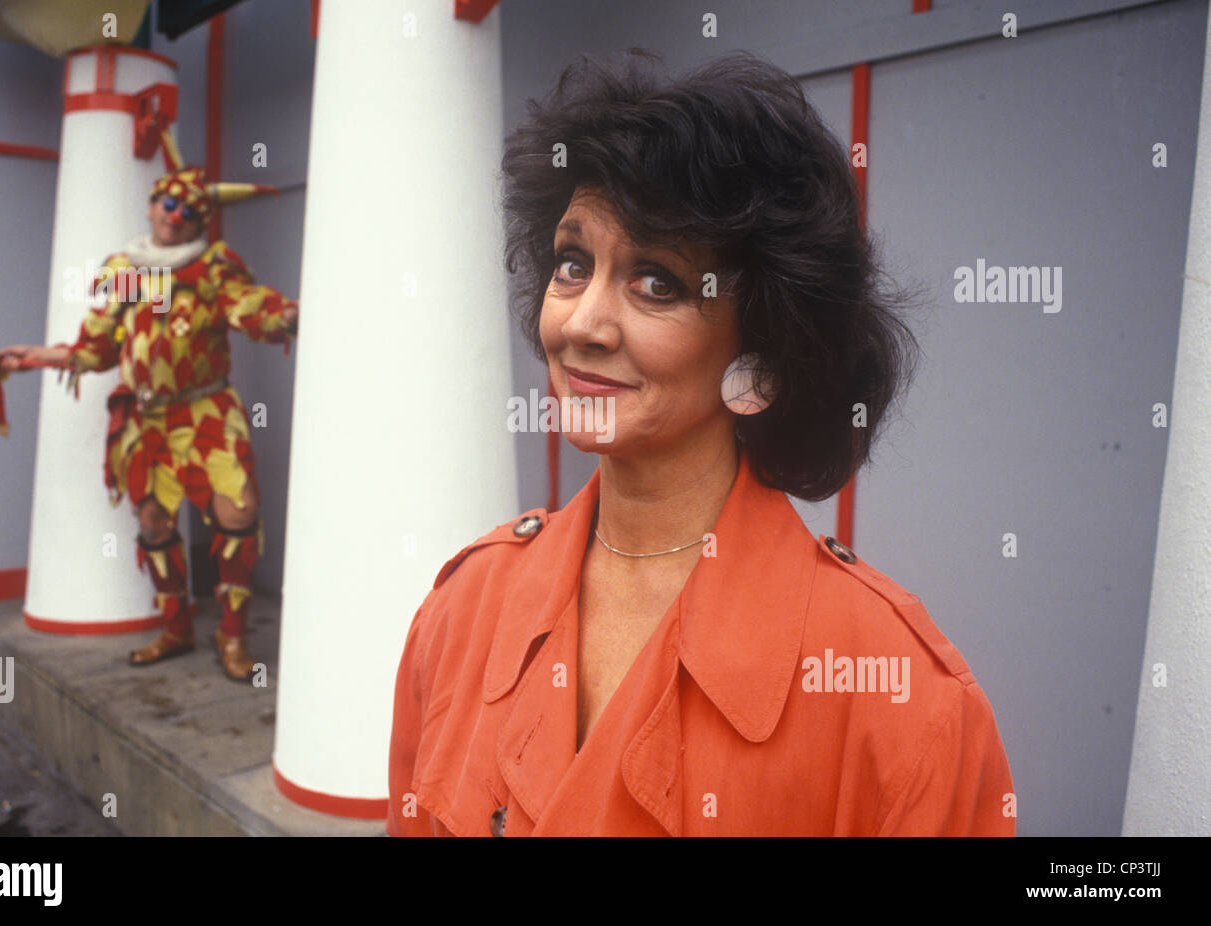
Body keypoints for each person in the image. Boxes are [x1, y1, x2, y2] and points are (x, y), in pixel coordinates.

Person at [385, 50, 1015, 835]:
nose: (580, 324)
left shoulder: (899, 702)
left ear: (763, 359)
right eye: (573, 263)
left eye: (657, 282)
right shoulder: (461, 612)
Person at [0, 147, 298, 681]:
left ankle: (232, 639)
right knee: (153, 520)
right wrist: (39, 357)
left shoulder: (212, 266)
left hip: (206, 408)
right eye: (164, 201)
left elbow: (248, 305)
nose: (171, 213)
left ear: (199, 220)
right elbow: (97, 347)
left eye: (185, 209)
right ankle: (176, 626)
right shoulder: (125, 270)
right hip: (147, 419)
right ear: (150, 206)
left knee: (237, 514)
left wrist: (286, 315)